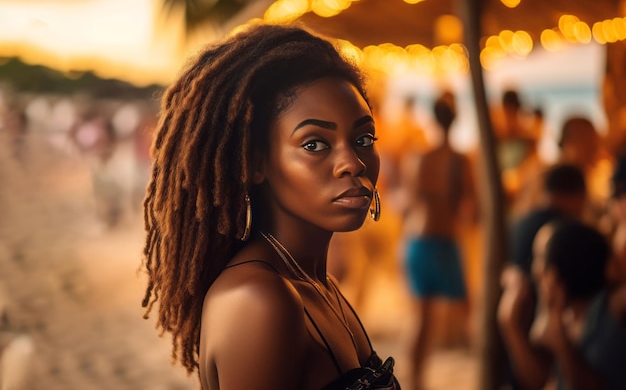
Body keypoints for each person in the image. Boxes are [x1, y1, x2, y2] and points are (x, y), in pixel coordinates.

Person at [140, 24, 400, 390]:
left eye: (363, 138)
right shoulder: (259, 300)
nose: (353, 163)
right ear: (255, 162)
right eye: (314, 144)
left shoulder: (320, 285)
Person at [398, 94, 477, 390]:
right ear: (456, 120)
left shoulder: (417, 157)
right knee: (469, 314)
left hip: (414, 243)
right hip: (443, 241)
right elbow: (470, 206)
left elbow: (407, 202)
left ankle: (416, 382)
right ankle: (487, 373)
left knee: (421, 319)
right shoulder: (460, 160)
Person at [498, 219, 626, 390]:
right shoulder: (565, 315)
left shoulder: (612, 308)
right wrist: (510, 325)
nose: (535, 271)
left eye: (541, 260)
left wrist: (561, 342)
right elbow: (536, 381)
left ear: (557, 274)